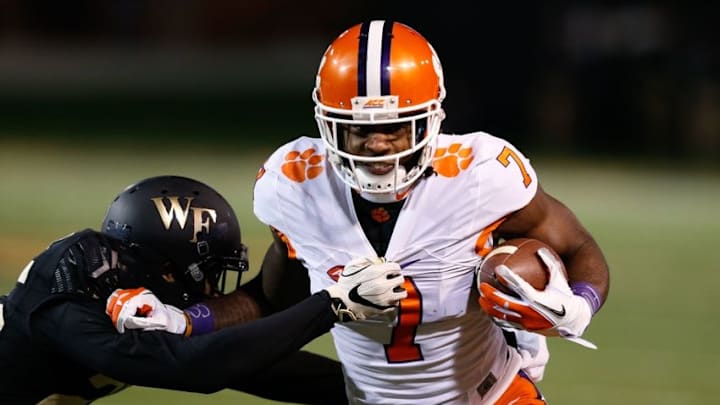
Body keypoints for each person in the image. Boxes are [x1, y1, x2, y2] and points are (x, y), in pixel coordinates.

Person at [114, 20, 609, 404]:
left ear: (431, 122)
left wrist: (579, 303)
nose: (376, 144)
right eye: (358, 129)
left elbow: (576, 244)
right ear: (327, 125)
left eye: (395, 128)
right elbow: (273, 300)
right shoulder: (295, 185)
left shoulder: (479, 174)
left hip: (493, 394)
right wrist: (181, 319)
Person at [0, 175, 406, 404]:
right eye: (208, 273)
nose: (212, 291)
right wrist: (332, 306)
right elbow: (199, 366)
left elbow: (253, 360)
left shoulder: (119, 286)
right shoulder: (70, 294)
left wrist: (375, 395)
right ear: (169, 270)